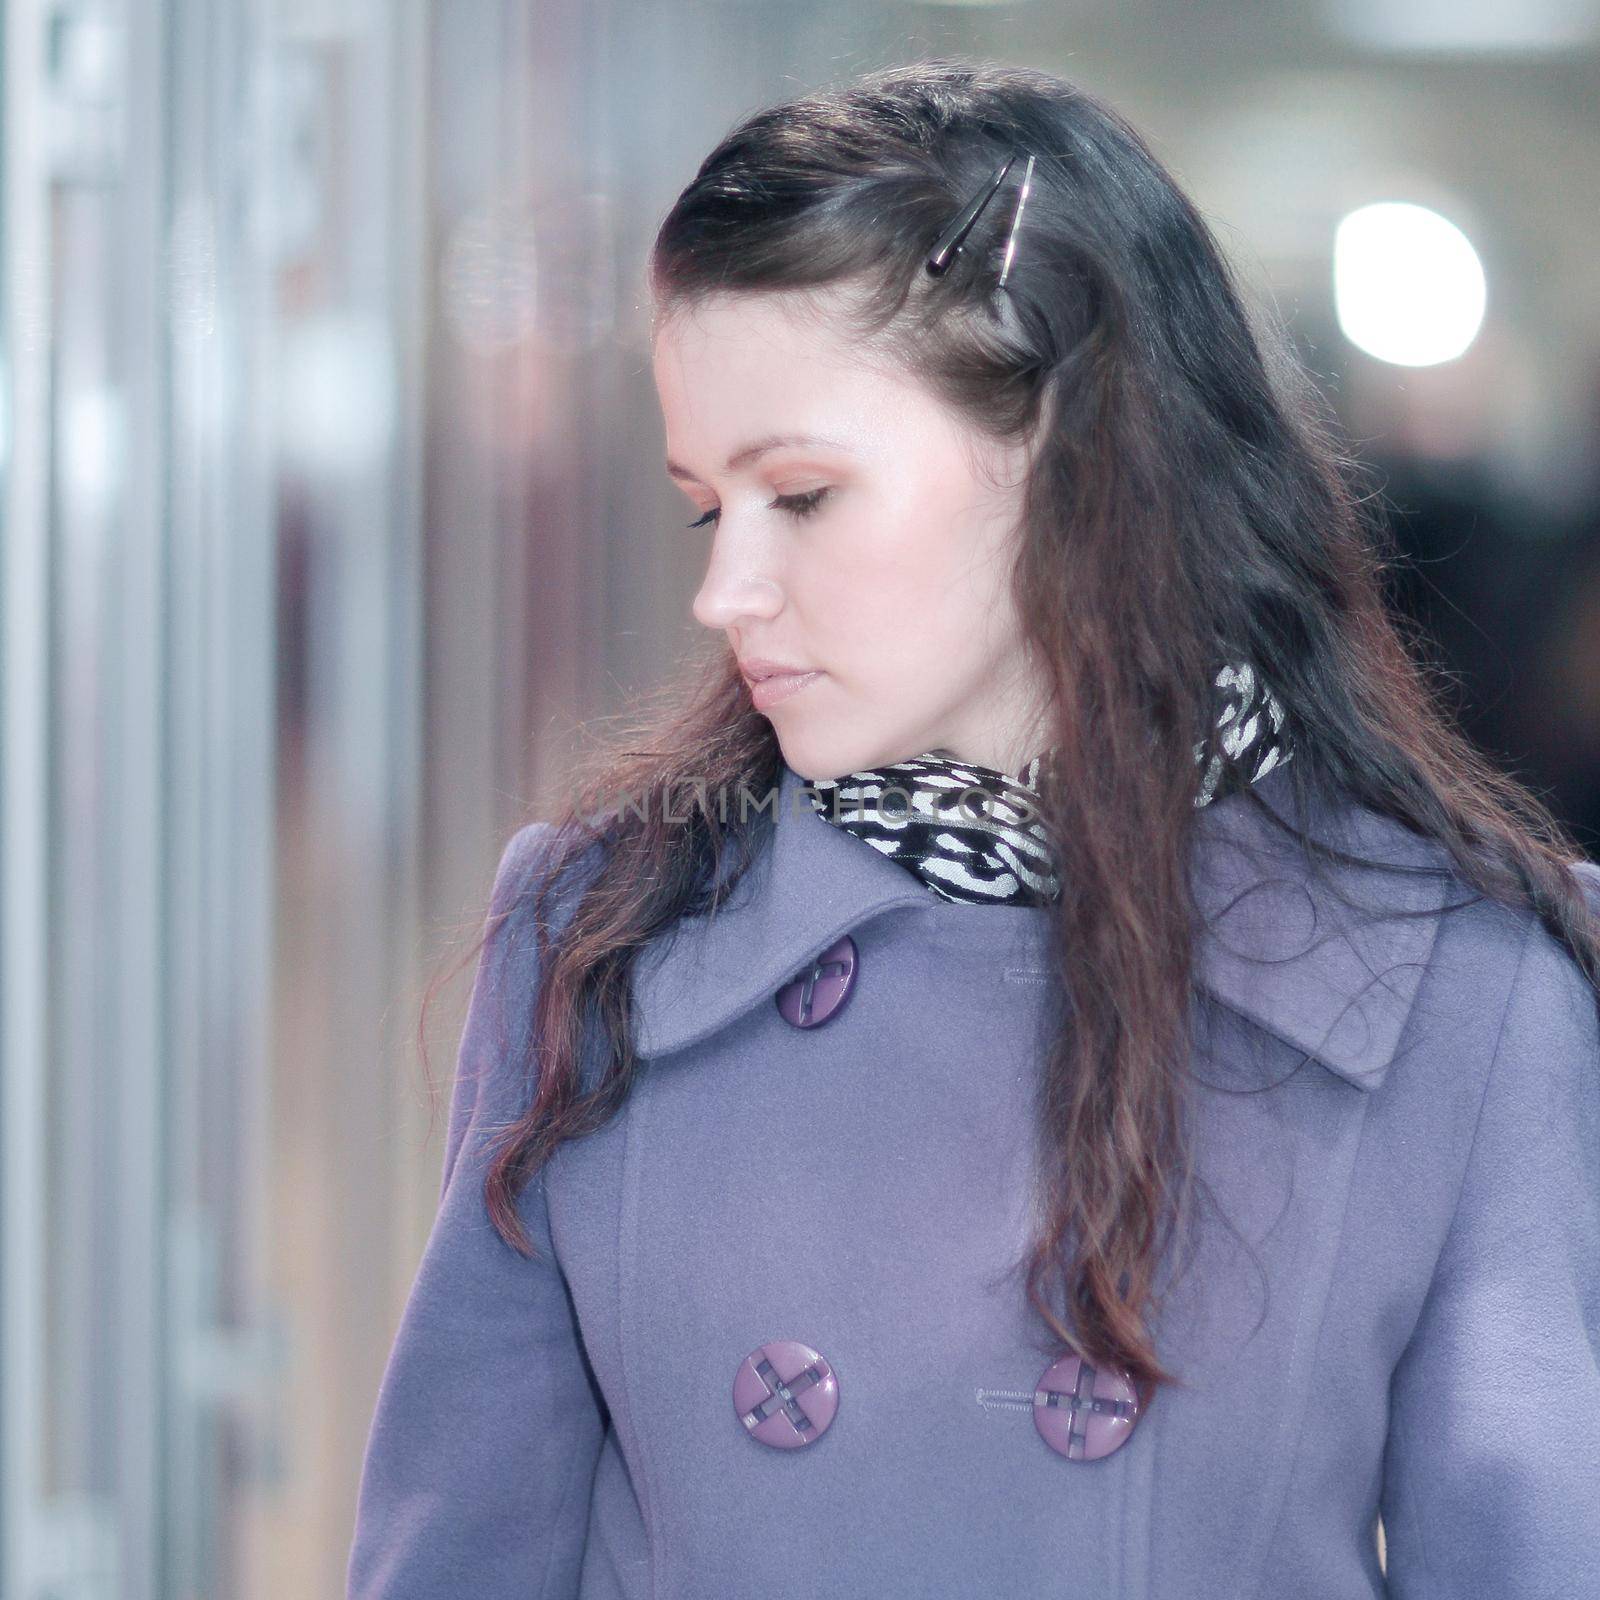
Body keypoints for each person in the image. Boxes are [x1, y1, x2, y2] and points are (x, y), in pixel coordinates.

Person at [346, 59, 1600, 1599]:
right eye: (703, 505)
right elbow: (457, 1554)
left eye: (799, 495)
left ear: (1071, 462)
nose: (723, 590)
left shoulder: (1468, 999)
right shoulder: (605, 928)